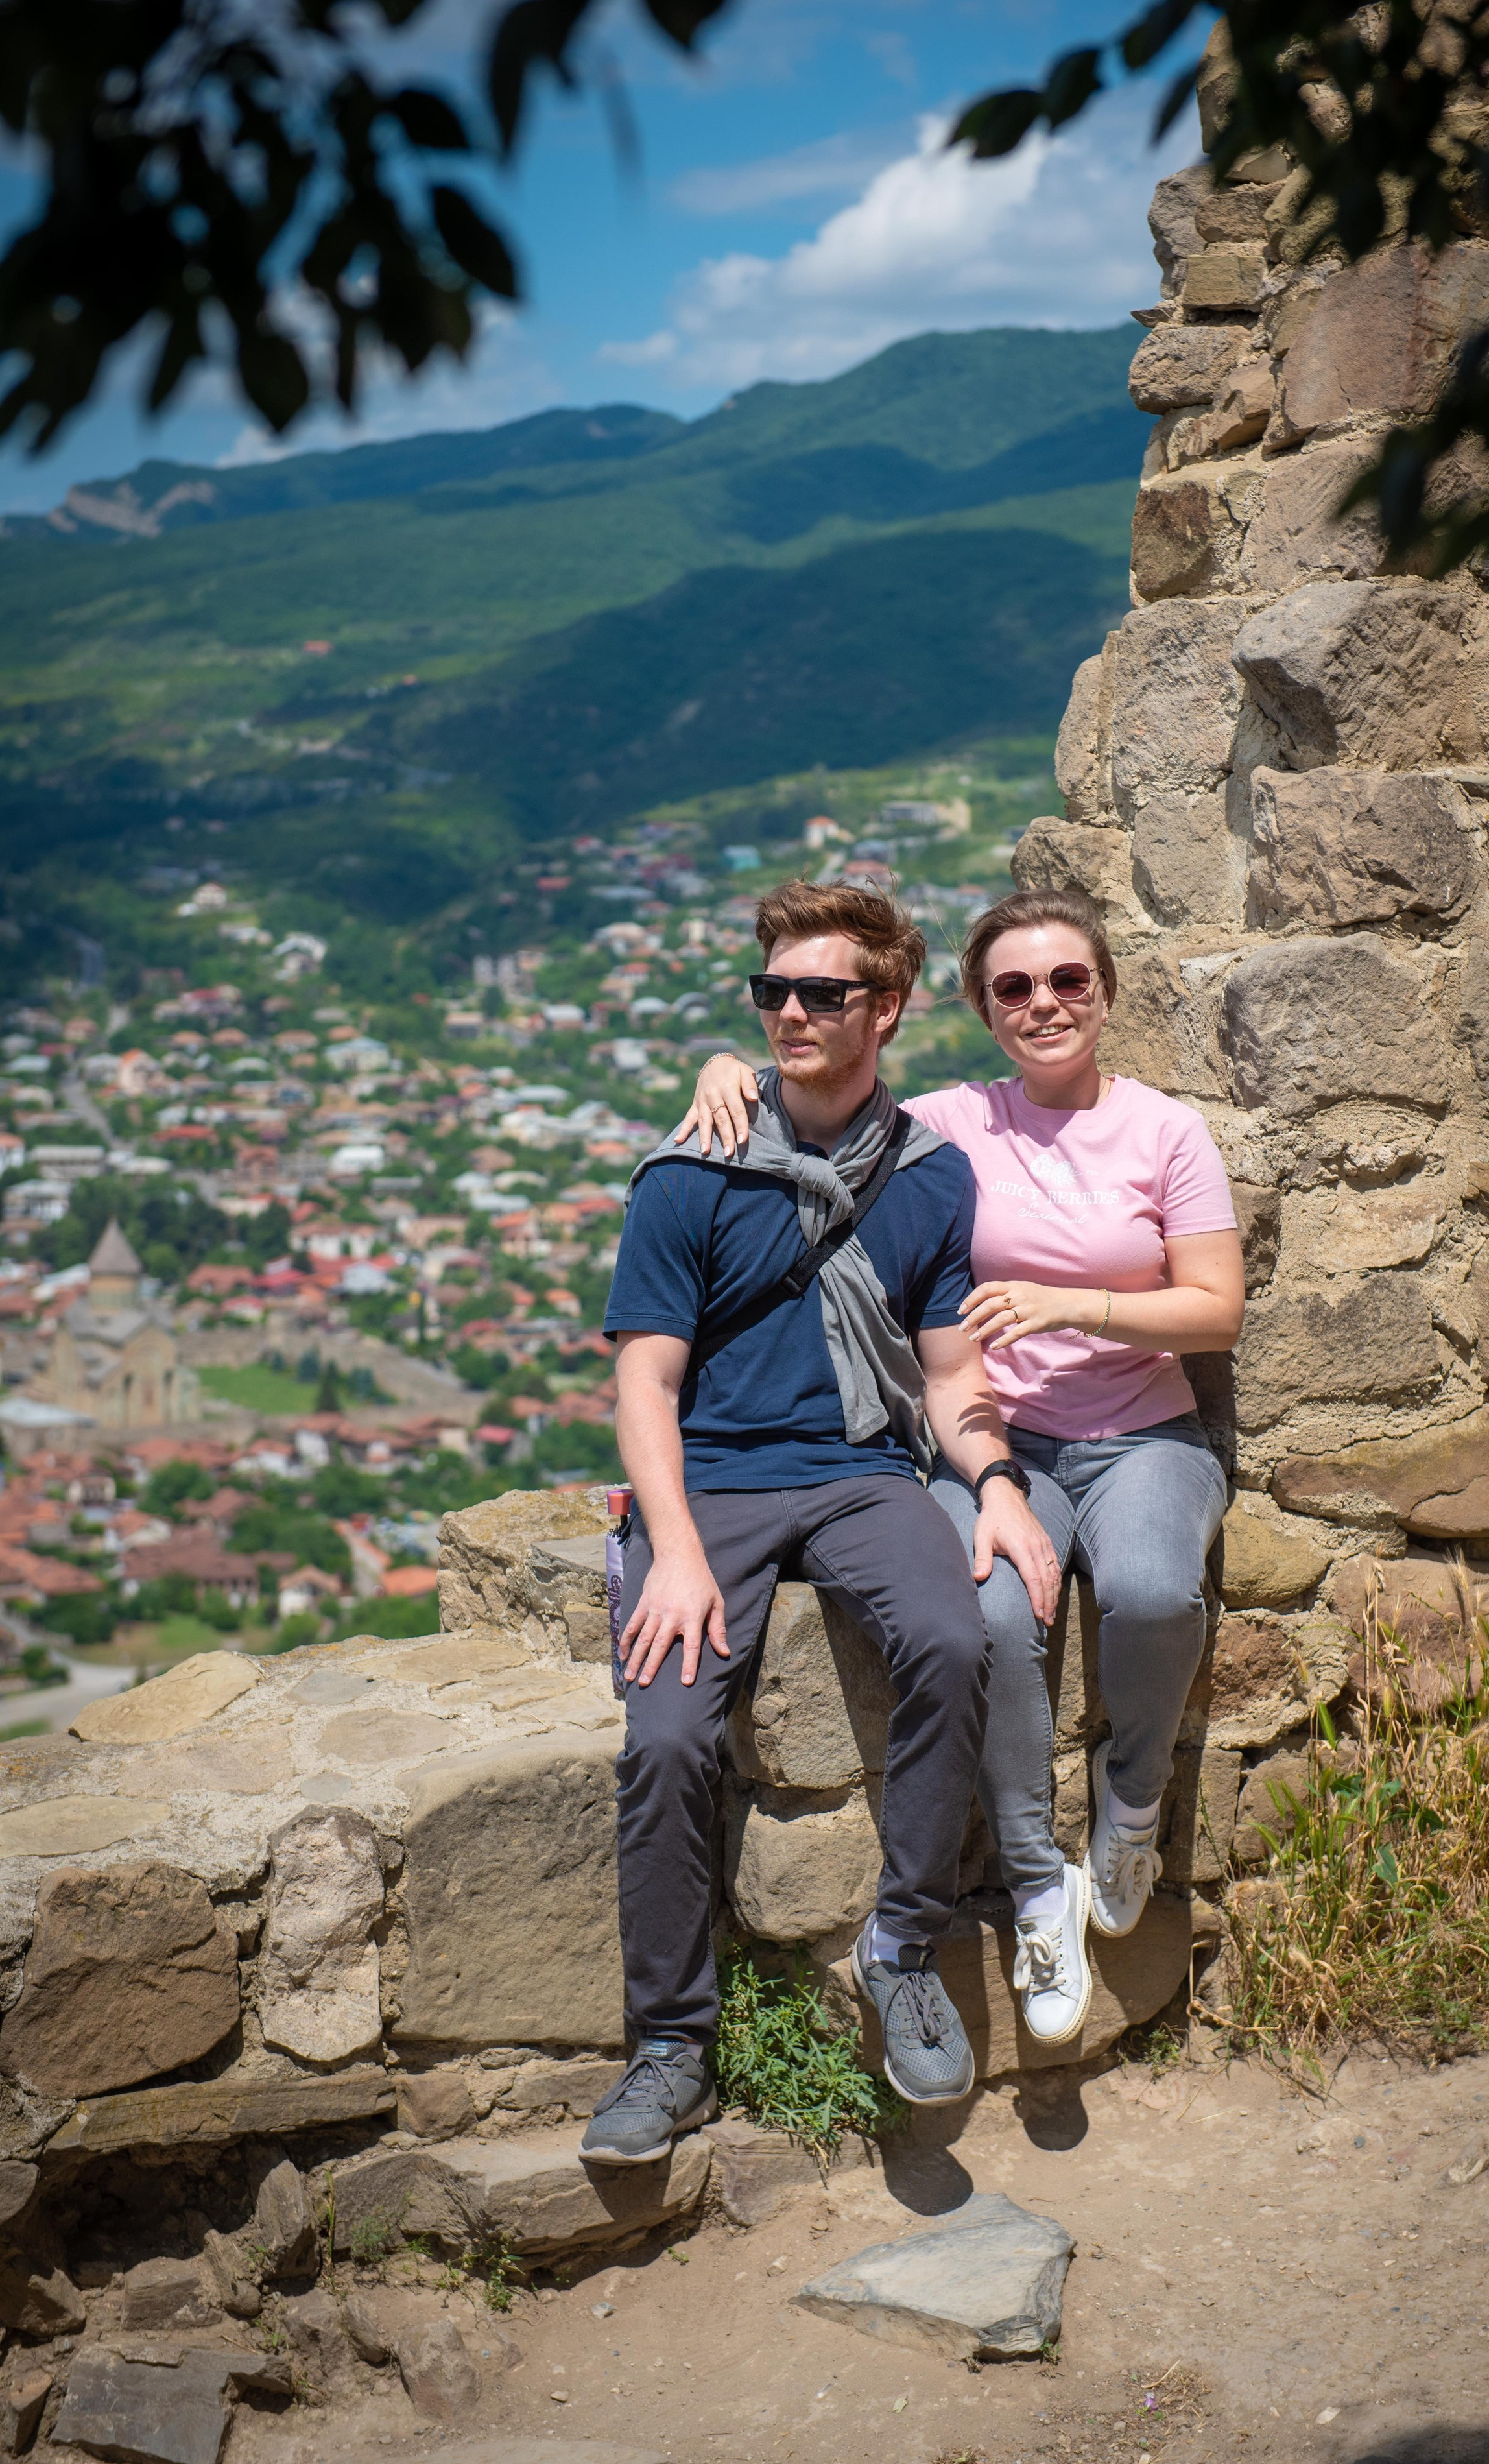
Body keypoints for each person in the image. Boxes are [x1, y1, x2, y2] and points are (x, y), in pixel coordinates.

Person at [680, 885, 1244, 2051]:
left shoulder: (1164, 1132)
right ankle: (1041, 1881)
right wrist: (724, 1066)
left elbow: (1218, 1312)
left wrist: (1073, 1303)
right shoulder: (957, 1121)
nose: (1044, 1004)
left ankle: (1129, 1813)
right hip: (991, 1439)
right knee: (987, 1614)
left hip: (1141, 1435)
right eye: (1014, 988)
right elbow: (826, 1085)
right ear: (985, 1011)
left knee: (1147, 1590)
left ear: (1106, 991)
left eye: (1068, 981)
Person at [580, 881, 1060, 2167]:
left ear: (885, 1009)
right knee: (670, 1733)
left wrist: (1000, 1484)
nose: (790, 1013)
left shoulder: (925, 1178)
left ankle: (900, 1942)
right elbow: (644, 1386)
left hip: (858, 1468)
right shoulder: (691, 1174)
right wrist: (671, 1551)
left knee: (954, 1643)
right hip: (714, 1485)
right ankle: (670, 2047)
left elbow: (951, 1376)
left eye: (821, 994)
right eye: (771, 995)